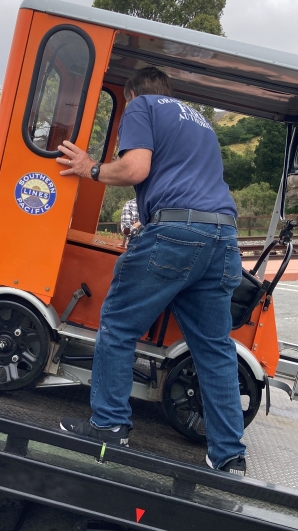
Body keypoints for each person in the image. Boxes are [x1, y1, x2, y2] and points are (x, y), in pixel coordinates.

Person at [56, 67, 247, 475]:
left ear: (128, 95)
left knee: (120, 326)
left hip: (176, 233)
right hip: (224, 239)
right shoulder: (201, 123)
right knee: (214, 349)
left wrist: (90, 167)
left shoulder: (142, 106)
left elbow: (134, 170)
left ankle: (108, 427)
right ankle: (228, 454)